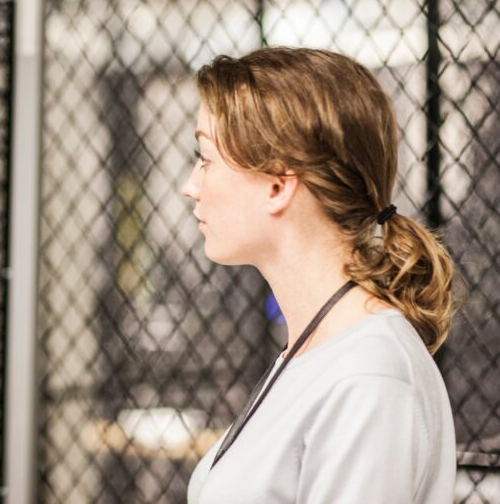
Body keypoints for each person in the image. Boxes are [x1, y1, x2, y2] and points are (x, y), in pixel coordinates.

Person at [181, 47, 458, 504]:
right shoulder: (318, 350)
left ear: (277, 185)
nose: (191, 185)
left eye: (205, 158)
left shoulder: (369, 378)